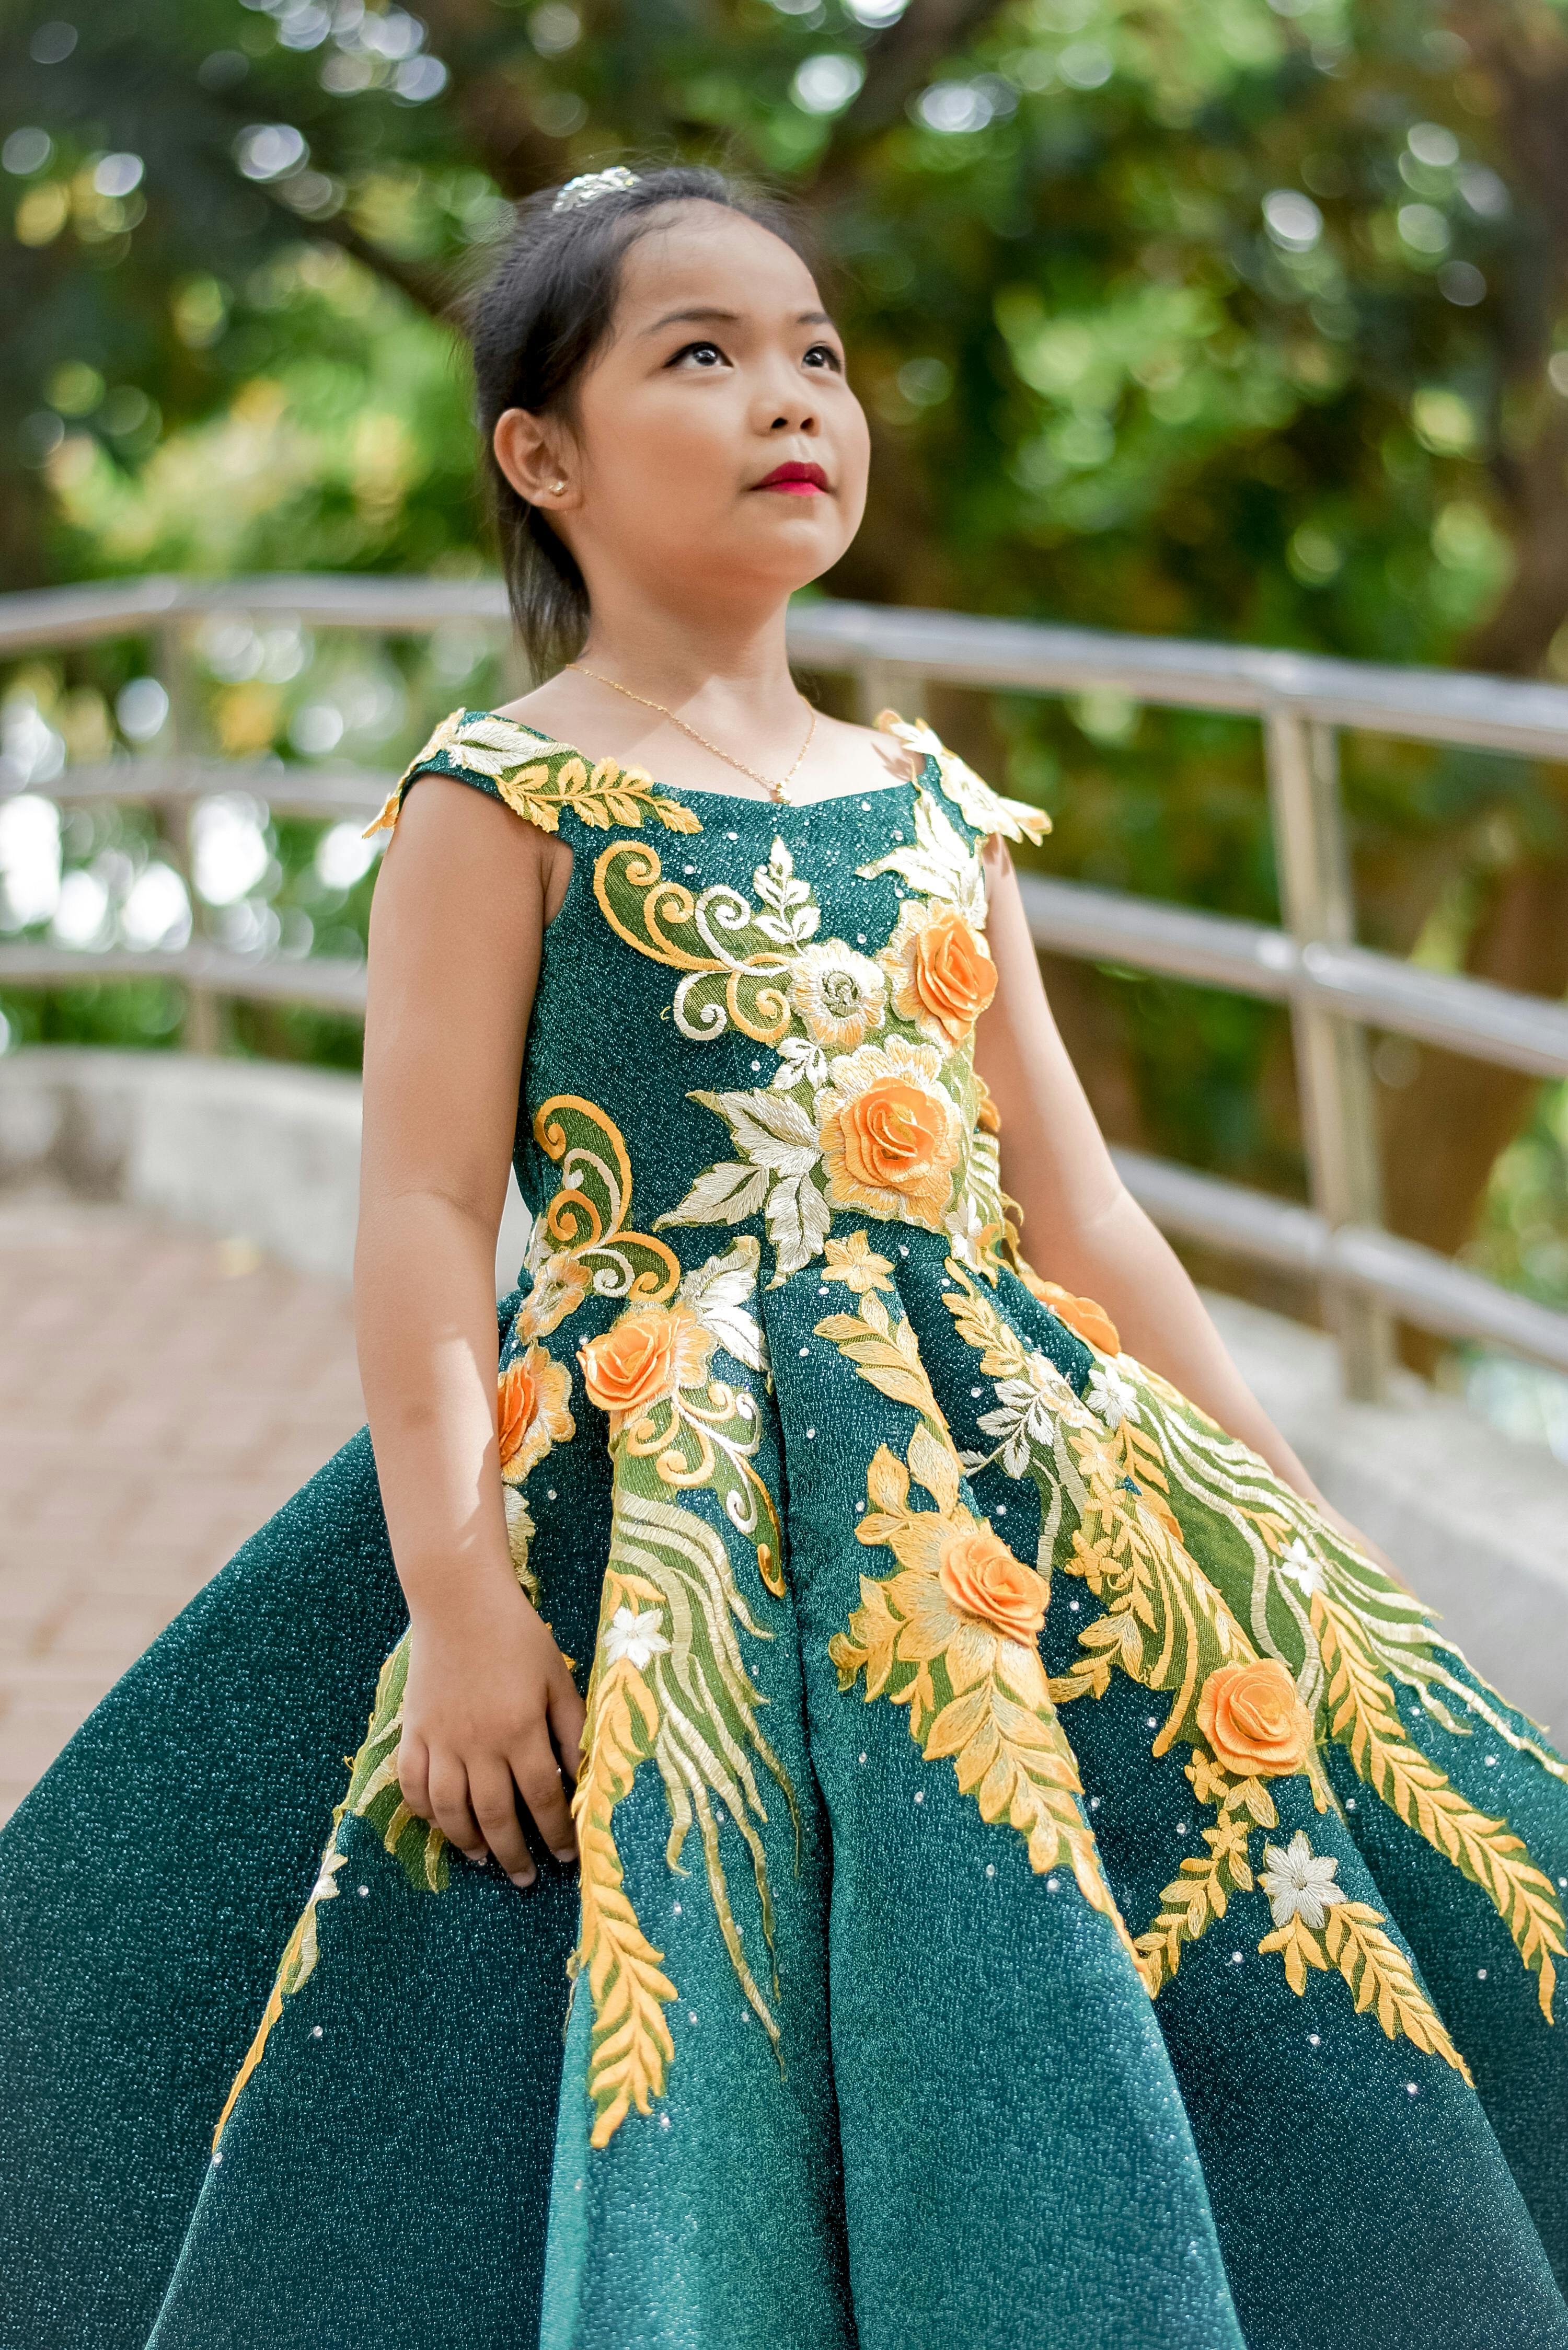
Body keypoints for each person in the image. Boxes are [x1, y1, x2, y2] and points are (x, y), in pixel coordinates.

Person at [3, 160, 1565, 2350]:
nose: (789, 396)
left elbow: (1082, 1202)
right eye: (703, 355)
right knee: (702, 1965)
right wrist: (460, 1599)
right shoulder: (503, 801)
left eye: (816, 352)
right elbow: (429, 1204)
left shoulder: (933, 798)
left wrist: (1276, 1496)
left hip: (994, 1472)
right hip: (665, 1523)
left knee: (1066, 1929)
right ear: (540, 458)